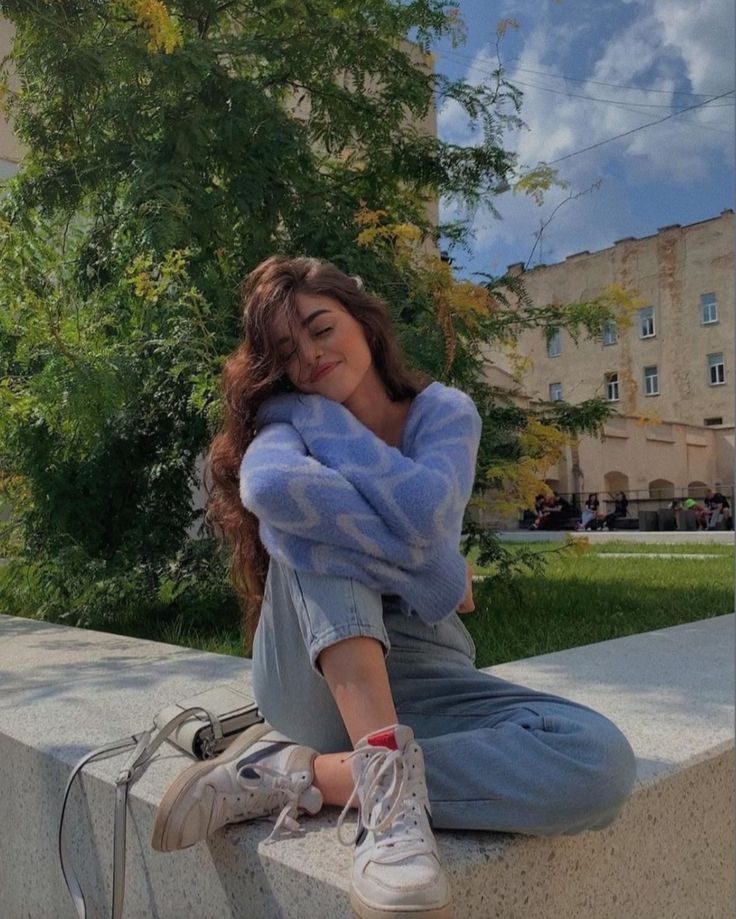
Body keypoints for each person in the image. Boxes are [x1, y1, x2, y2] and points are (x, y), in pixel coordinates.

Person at [151, 256, 637, 919]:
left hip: (424, 673)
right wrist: (433, 570)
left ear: (364, 319)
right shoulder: (287, 423)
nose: (312, 357)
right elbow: (269, 487)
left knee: (601, 762)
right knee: (313, 524)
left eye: (322, 328)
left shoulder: (443, 411)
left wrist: (399, 524)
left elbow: (430, 510)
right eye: (289, 352)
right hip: (313, 677)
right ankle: (386, 806)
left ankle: (297, 775)